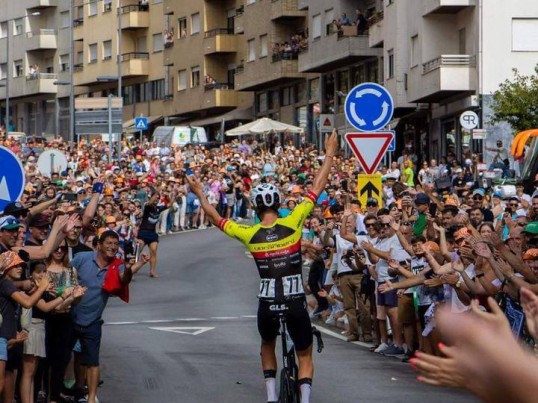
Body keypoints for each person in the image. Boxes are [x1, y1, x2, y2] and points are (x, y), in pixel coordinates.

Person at [186, 130, 338, 403]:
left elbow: (215, 217)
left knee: (267, 343)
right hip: (294, 300)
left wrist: (199, 192)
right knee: (304, 352)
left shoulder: (248, 233)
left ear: (255, 207)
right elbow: (317, 185)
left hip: (267, 303)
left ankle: (270, 397)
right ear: (278, 204)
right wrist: (329, 153)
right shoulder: (292, 222)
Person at [69, 231, 148, 403]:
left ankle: (90, 398)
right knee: (73, 358)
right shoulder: (82, 258)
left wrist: (133, 267)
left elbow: (124, 278)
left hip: (93, 321)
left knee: (92, 361)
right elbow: (65, 272)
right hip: (70, 317)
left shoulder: (117, 265)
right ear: (99, 244)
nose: (112, 247)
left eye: (115, 244)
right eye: (109, 243)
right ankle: (76, 391)